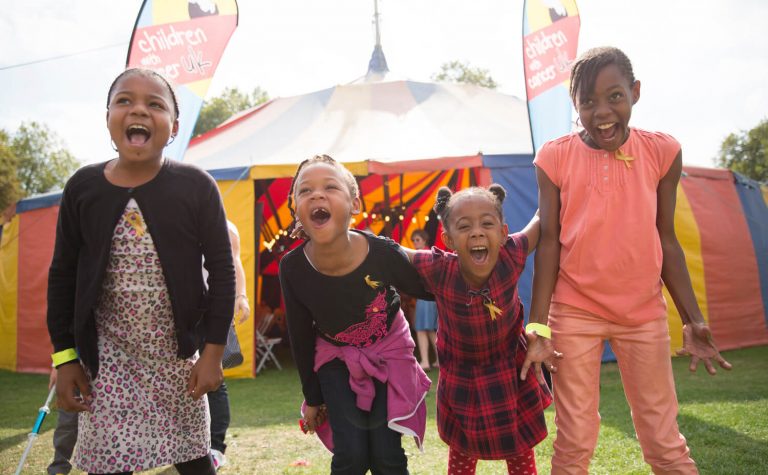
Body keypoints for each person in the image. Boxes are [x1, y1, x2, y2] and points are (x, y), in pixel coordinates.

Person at [527, 46, 733, 475]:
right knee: (575, 436)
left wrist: (692, 318)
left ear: (635, 92)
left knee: (663, 436)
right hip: (575, 311)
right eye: (588, 102)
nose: (602, 112)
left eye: (614, 96)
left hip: (642, 313)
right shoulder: (554, 156)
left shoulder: (662, 152)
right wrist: (538, 325)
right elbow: (549, 242)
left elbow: (667, 239)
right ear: (574, 104)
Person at [46, 67, 235, 475]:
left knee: (193, 459)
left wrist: (213, 354)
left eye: (155, 104)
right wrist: (65, 359)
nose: (139, 110)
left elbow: (222, 271)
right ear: (108, 116)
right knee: (109, 464)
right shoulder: (82, 187)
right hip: (109, 358)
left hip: (178, 358)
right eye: (125, 101)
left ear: (174, 126)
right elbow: (62, 275)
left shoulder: (196, 186)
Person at [279, 154, 432, 474]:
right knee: (350, 455)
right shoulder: (293, 268)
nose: (317, 194)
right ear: (295, 208)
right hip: (335, 359)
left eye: (330, 187)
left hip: (389, 353)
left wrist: (473, 278)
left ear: (355, 205)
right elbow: (300, 334)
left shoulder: (382, 252)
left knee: (386, 455)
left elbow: (428, 289)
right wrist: (313, 397)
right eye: (305, 191)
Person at [405, 184, 553, 475]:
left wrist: (556, 183)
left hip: (511, 371)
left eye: (487, 223)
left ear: (503, 233)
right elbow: (394, 253)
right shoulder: (439, 268)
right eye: (464, 226)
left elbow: (541, 219)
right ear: (447, 239)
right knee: (461, 454)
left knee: (521, 451)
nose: (476, 232)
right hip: (462, 377)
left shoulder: (512, 254)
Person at [207, 220, 251, 470]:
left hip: (214, 311)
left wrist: (241, 296)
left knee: (215, 380)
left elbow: (235, 263)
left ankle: (215, 447)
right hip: (179, 313)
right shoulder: (174, 217)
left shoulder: (225, 226)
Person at [410, 229, 440, 371]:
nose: (415, 242)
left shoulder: (422, 255)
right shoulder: (429, 254)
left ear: (424, 240)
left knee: (422, 329)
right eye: (414, 240)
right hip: (429, 297)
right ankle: (438, 360)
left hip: (425, 296)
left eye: (417, 240)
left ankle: (426, 361)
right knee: (429, 330)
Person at [47, 368, 77, 475]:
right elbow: (61, 350)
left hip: (106, 373)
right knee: (67, 424)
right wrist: (56, 367)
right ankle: (59, 469)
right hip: (73, 369)